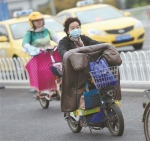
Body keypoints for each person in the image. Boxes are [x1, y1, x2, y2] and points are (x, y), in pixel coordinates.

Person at [22, 11, 61, 100]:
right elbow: (25, 44)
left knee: (57, 68)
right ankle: (43, 90)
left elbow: (57, 38)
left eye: (40, 20)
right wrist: (34, 49)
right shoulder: (30, 33)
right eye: (36, 21)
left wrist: (61, 43)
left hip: (49, 54)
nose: (39, 22)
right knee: (43, 71)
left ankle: (56, 88)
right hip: (38, 56)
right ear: (32, 23)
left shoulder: (47, 30)